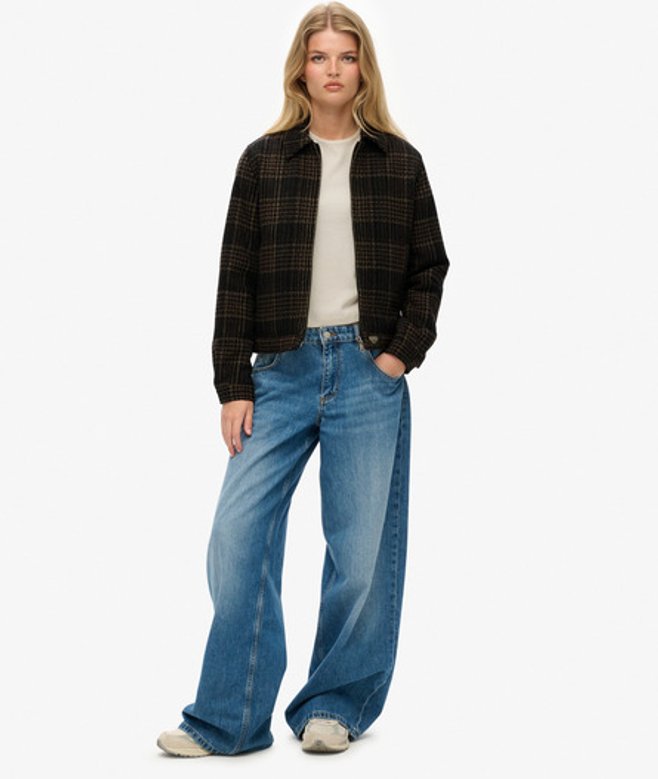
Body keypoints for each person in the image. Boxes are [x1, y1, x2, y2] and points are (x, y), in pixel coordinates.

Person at [157, 1, 450, 758]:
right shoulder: (263, 161)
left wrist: (397, 356)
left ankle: (334, 704)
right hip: (279, 373)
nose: (332, 69)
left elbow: (430, 267)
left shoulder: (400, 162)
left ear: (363, 70)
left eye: (346, 56)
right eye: (319, 56)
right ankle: (229, 717)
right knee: (236, 537)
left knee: (359, 552)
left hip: (366, 370)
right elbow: (234, 277)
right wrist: (233, 384)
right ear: (300, 69)